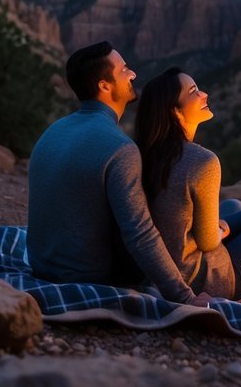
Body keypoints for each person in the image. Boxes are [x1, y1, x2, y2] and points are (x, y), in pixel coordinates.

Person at [26, 41, 206, 305]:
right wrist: (184, 297)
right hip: (86, 275)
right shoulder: (120, 148)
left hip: (41, 265)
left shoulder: (52, 132)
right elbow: (140, 234)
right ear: (104, 86)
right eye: (124, 70)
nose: (132, 74)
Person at [134, 67, 241, 299]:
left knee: (237, 205)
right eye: (194, 91)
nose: (204, 94)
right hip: (205, 281)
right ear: (175, 112)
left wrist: (218, 228)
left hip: (161, 268)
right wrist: (221, 230)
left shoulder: (145, 154)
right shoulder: (203, 162)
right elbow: (206, 242)